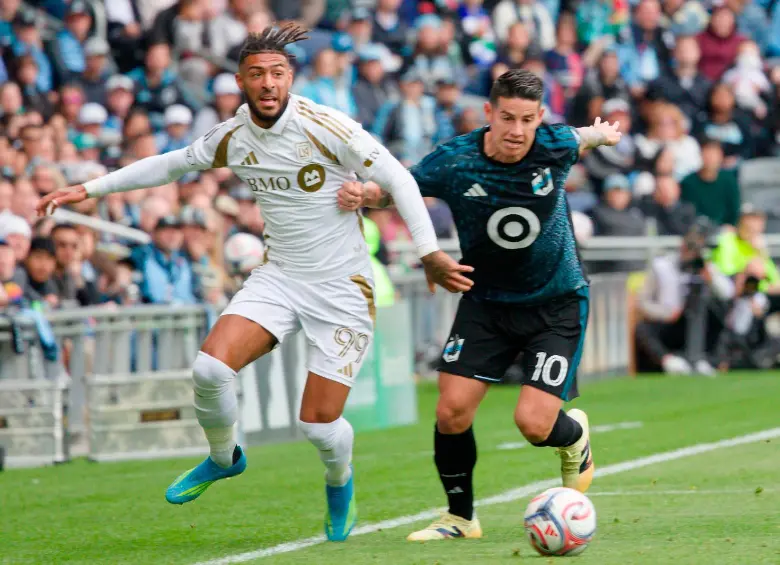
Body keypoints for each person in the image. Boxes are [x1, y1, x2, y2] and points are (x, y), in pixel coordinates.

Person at [37, 23, 471, 543]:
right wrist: (87, 188)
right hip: (280, 276)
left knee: (317, 426)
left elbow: (399, 177)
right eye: (257, 74)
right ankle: (225, 458)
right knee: (208, 368)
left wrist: (429, 252)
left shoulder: (326, 125)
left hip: (340, 289)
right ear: (241, 80)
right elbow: (170, 165)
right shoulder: (233, 137)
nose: (268, 83)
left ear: (292, 77)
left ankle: (340, 482)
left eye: (278, 73)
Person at [337, 69, 622, 541]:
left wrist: (602, 134)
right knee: (450, 411)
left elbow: (583, 136)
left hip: (556, 301)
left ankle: (573, 437)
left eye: (528, 120)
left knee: (533, 424)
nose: (516, 131)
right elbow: (403, 189)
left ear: (540, 118)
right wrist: (367, 195)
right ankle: (460, 517)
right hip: (486, 301)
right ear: (488, 113)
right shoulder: (455, 160)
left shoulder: (555, 144)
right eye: (507, 117)